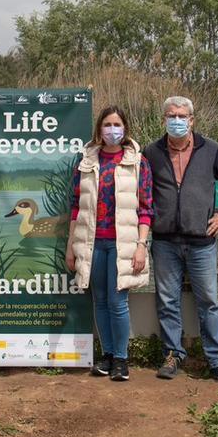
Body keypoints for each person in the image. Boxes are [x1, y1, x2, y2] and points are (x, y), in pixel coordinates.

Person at [143, 96, 218, 383]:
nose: (177, 120)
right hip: (164, 241)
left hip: (202, 241)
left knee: (209, 301)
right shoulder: (152, 152)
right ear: (164, 119)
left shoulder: (211, 150)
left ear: (192, 120)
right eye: (171, 115)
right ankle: (173, 354)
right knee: (167, 300)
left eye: (182, 115)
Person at [66, 106, 153, 382]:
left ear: (125, 128)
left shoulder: (138, 162)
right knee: (100, 302)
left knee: (118, 302)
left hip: (122, 244)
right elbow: (75, 207)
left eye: (117, 124)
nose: (112, 129)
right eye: (107, 124)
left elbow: (146, 207)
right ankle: (106, 355)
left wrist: (141, 244)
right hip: (93, 244)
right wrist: (71, 246)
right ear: (99, 129)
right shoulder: (85, 161)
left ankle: (122, 359)